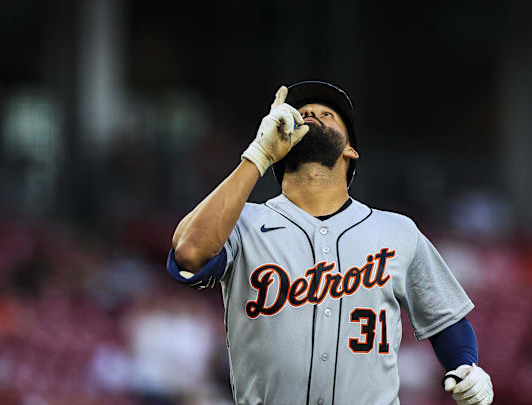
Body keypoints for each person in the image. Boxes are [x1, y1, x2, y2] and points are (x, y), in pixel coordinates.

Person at [167, 81, 494, 405]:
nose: (311, 115)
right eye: (302, 113)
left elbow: (446, 319)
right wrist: (258, 154)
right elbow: (189, 253)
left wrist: (467, 365)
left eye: (327, 114)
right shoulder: (242, 222)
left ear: (351, 149)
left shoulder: (397, 230)